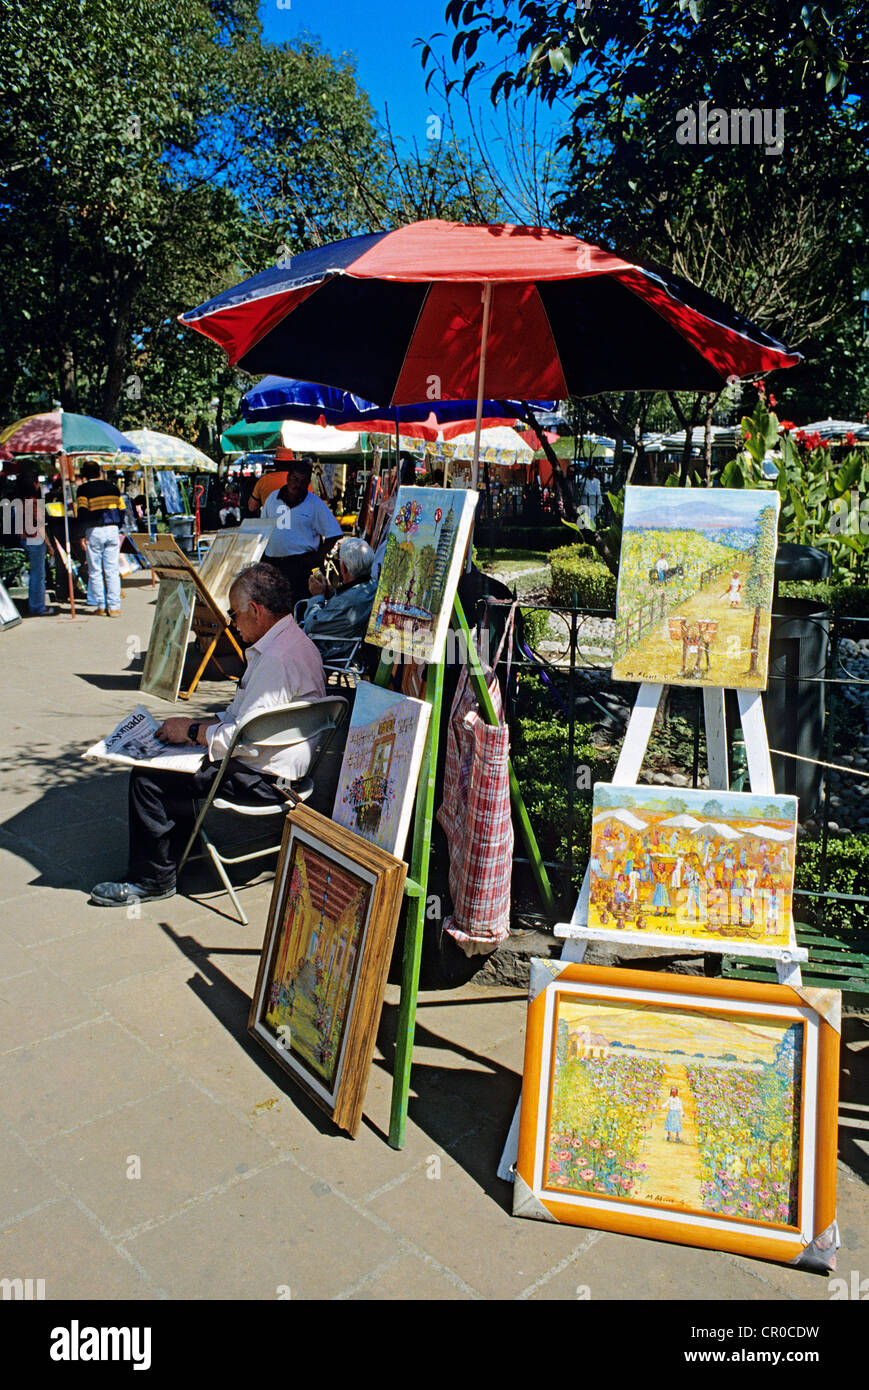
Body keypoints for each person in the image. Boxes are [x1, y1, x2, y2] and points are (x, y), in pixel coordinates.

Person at [89, 564, 326, 906]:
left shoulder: (276, 659)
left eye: (235, 613)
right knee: (177, 756)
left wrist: (193, 730)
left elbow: (240, 738)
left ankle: (152, 879)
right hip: (283, 768)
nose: (232, 623)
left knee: (148, 778)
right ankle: (176, 851)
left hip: (265, 777)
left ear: (256, 611)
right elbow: (249, 720)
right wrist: (196, 727)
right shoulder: (294, 642)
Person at [262, 456, 343, 601]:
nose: (297, 485)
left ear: (308, 483)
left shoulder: (315, 504)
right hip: (274, 565)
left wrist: (317, 557)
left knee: (300, 607)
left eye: (302, 482)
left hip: (301, 567)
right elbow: (263, 529)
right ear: (288, 478)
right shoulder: (272, 498)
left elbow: (334, 533)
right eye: (294, 479)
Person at [301, 537, 377, 663]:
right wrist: (331, 592)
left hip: (331, 650)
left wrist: (317, 596)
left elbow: (311, 625)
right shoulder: (371, 586)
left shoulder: (348, 600)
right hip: (346, 643)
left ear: (344, 568)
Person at [75, 460, 124, 615]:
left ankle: (101, 606)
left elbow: (82, 512)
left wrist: (81, 534)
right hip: (112, 529)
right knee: (112, 570)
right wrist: (118, 526)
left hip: (93, 530)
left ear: (84, 475)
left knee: (95, 570)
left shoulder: (83, 489)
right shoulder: (113, 488)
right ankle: (115, 607)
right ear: (100, 472)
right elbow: (122, 509)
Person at [246, 446, 293, 515]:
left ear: (275, 463)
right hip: (295, 523)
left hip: (269, 523)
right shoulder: (301, 481)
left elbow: (252, 507)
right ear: (291, 463)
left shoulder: (263, 480)